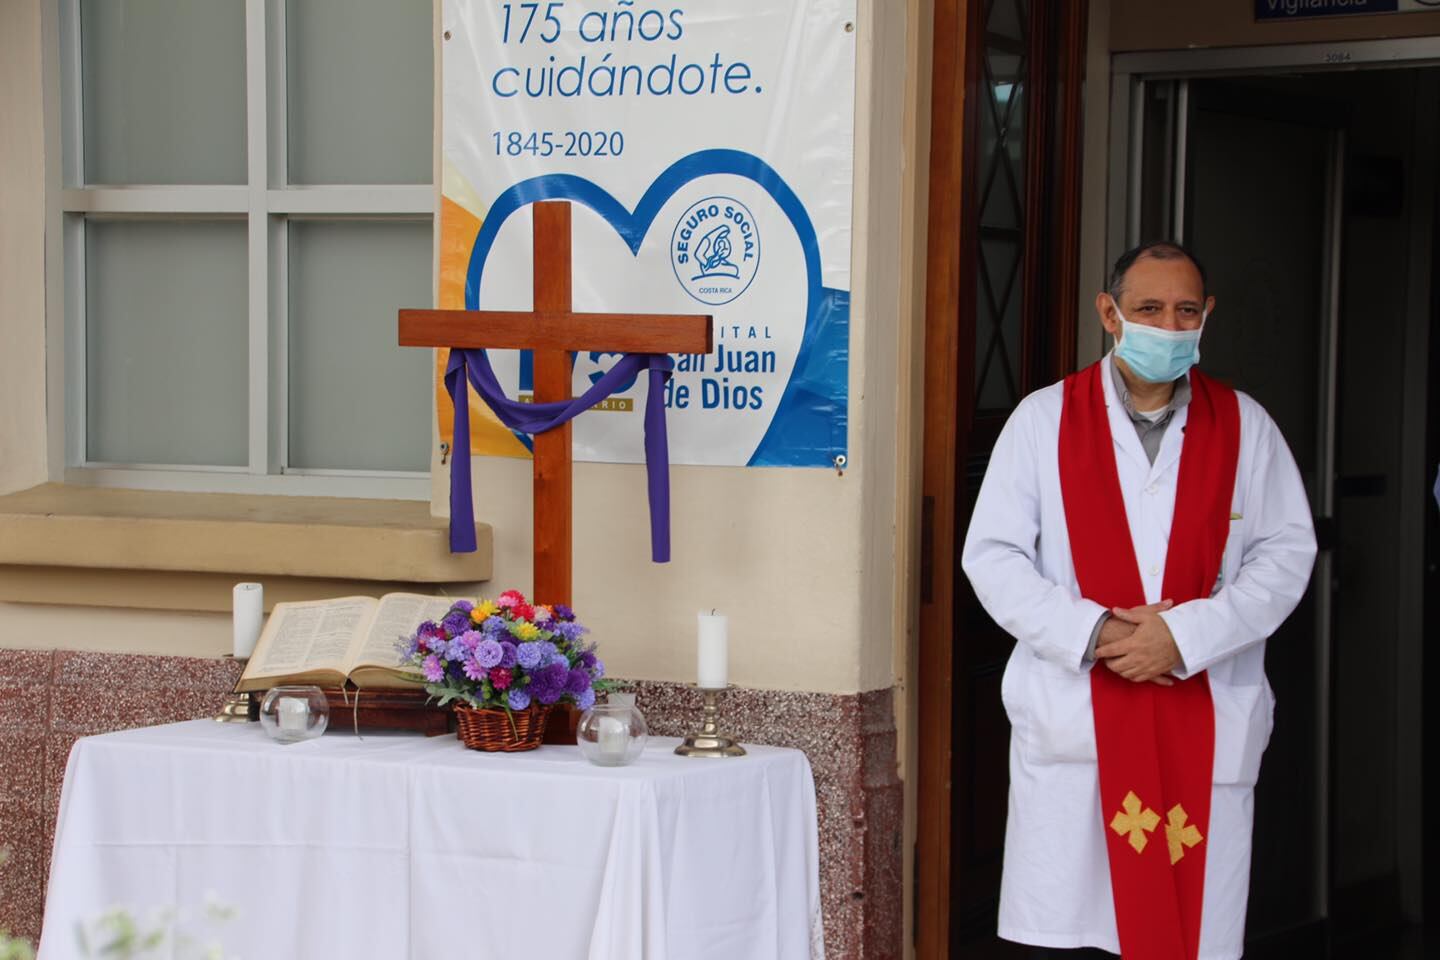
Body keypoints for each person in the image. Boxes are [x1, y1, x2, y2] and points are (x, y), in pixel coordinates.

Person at [961, 241, 1317, 960]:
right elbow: (992, 556)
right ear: (1109, 313)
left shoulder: (1245, 426)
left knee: (1188, 933)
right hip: (1078, 728)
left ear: (1207, 314)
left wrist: (1184, 637)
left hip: (1202, 716)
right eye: (1149, 309)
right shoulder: (1043, 420)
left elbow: (1285, 556)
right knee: (1073, 938)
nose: (1169, 326)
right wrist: (1098, 632)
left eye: (1186, 311)